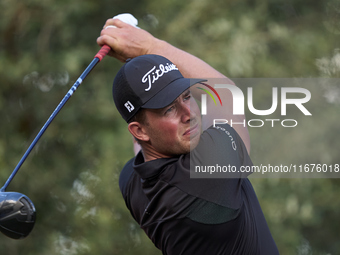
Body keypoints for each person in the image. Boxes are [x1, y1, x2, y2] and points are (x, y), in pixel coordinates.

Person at [97, 17, 279, 255]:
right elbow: (225, 94)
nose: (189, 114)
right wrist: (150, 47)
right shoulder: (204, 177)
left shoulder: (131, 180)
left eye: (186, 96)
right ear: (139, 130)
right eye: (169, 109)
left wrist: (139, 64)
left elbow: (143, 147)